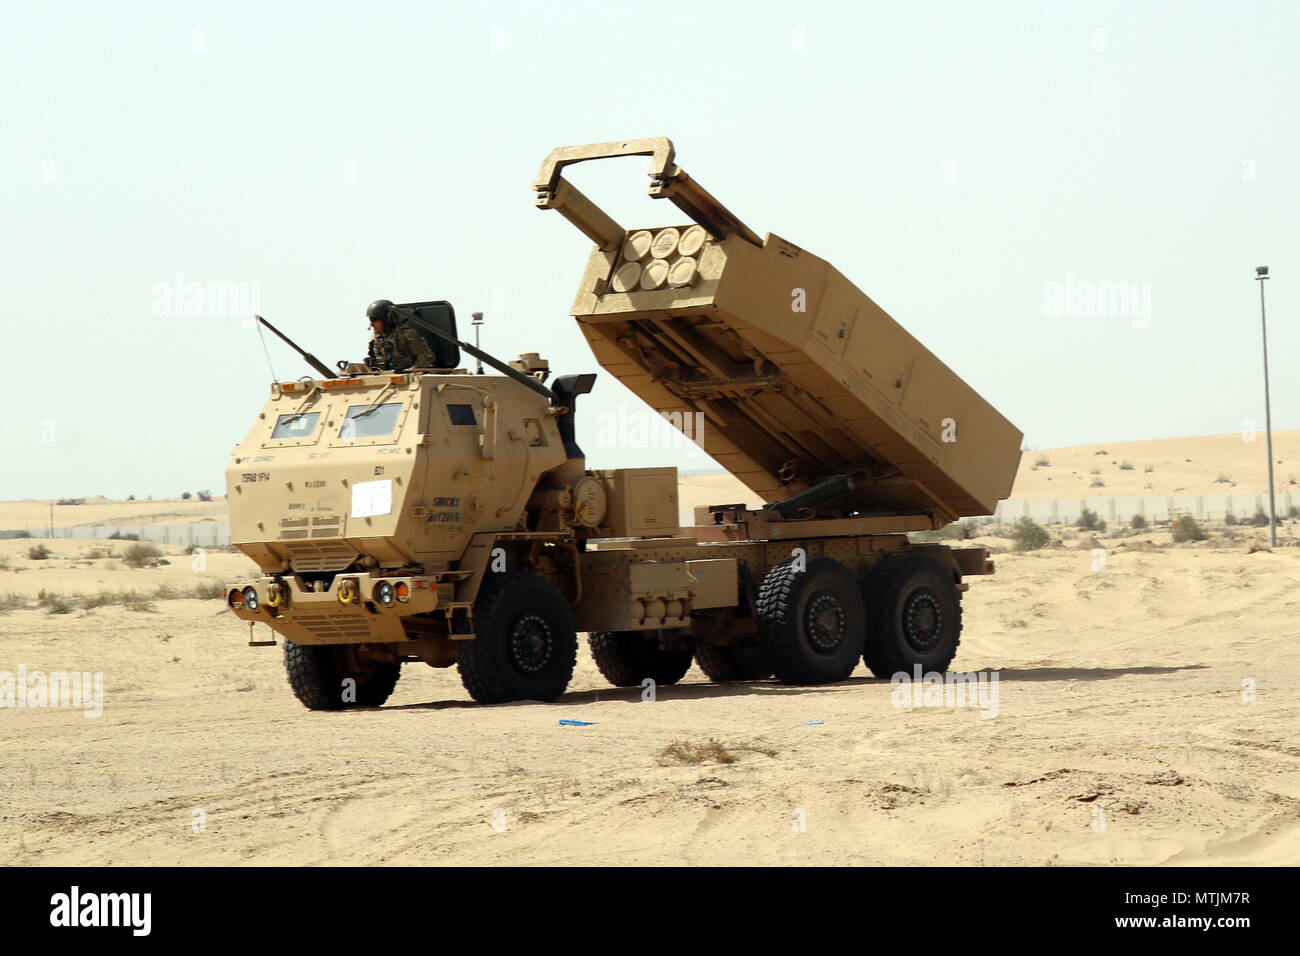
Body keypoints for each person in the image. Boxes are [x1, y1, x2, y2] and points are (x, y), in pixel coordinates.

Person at [365, 300, 437, 371]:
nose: (371, 324)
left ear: (386, 319)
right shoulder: (375, 338)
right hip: (382, 377)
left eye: (374, 319)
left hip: (405, 378)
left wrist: (411, 370)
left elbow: (427, 356)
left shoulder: (406, 334)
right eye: (370, 320)